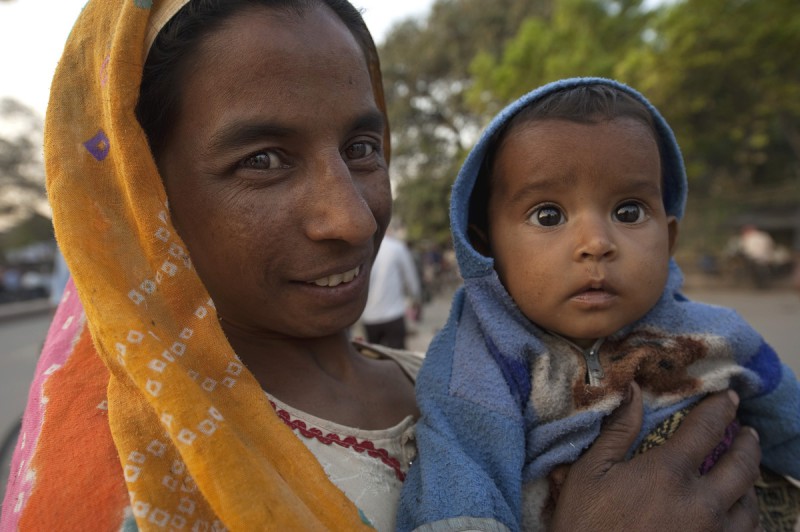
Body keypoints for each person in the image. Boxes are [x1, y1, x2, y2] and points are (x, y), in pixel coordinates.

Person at [0, 2, 761, 530]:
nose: (353, 217)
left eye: (362, 149)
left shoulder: (457, 382)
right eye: (263, 160)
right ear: (141, 199)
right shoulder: (136, 484)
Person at [398, 78, 799, 531]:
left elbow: (791, 421)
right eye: (548, 215)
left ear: (669, 240)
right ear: (484, 249)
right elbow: (459, 490)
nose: (596, 243)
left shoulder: (719, 336)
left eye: (628, 211)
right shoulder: (479, 363)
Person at [361, 231, 422, 349]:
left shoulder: (363, 249)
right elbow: (411, 278)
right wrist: (416, 299)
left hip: (369, 316)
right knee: (398, 358)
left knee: (374, 358)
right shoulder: (396, 247)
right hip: (394, 314)